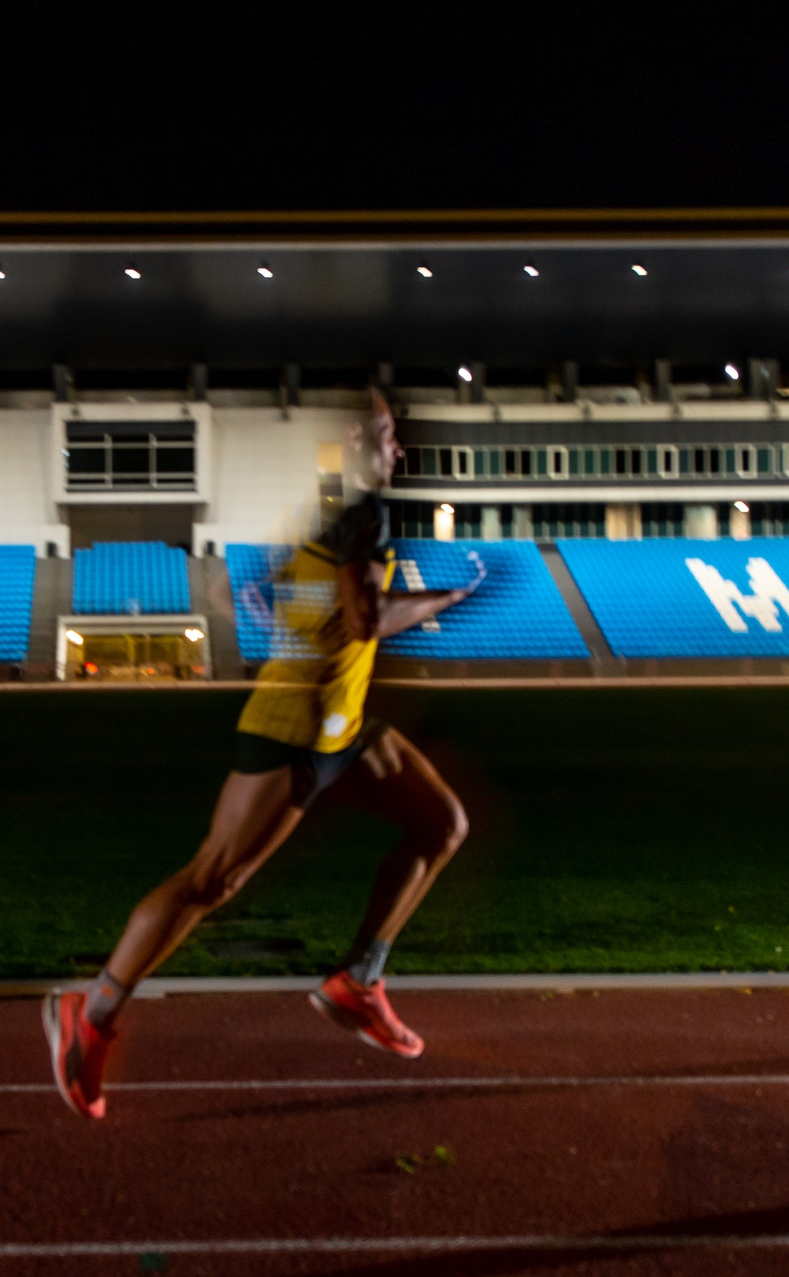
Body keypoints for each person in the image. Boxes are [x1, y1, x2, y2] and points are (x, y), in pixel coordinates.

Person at [44, 389, 486, 1119]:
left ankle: (359, 980)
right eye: (387, 434)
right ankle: (87, 1016)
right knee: (212, 880)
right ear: (356, 435)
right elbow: (366, 619)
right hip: (294, 731)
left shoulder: (320, 522)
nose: (398, 450)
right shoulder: (363, 515)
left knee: (442, 821)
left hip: (343, 731)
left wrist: (276, 609)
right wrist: (444, 598)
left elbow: (226, 594)